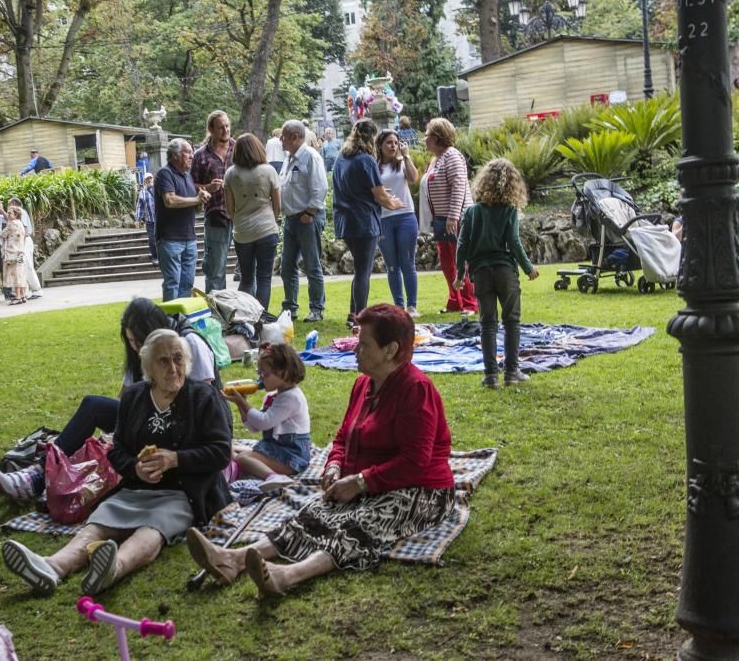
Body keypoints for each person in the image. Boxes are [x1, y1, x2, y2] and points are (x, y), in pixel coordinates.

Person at [186, 304, 455, 597]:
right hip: (370, 483)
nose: (355, 349)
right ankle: (233, 559)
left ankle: (287, 575)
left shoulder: (416, 390)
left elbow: (415, 462)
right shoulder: (364, 384)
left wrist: (361, 482)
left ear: (390, 350)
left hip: (421, 491)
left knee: (359, 523)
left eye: (363, 344)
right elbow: (342, 438)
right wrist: (334, 467)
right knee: (313, 512)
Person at [1, 329, 232, 596]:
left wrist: (175, 459)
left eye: (178, 359)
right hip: (136, 489)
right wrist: (135, 468)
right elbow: (117, 449)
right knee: (100, 522)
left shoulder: (202, 396)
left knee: (154, 527)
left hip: (185, 492)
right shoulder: (134, 397)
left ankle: (114, 568)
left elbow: (220, 452)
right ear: (148, 367)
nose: (173, 368)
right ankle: (52, 567)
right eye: (163, 361)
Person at [0, 297, 220, 500]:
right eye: (131, 341)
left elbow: (204, 403)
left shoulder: (188, 343)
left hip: (184, 426)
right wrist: (119, 433)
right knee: (94, 407)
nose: (136, 348)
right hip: (150, 416)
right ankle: (41, 473)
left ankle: (44, 476)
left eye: (139, 341)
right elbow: (127, 399)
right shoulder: (142, 353)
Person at [454, 158, 539, 389]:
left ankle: (491, 376)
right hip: (505, 272)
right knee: (512, 321)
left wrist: (460, 273)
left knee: (487, 324)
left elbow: (462, 244)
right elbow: (514, 243)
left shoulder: (471, 212)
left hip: (481, 273)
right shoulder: (509, 211)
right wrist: (528, 268)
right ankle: (512, 373)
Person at [332, 119, 406, 330]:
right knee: (364, 272)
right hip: (363, 221)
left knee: (359, 269)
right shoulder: (366, 160)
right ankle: (359, 318)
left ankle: (352, 313)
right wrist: (394, 203)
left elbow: (354, 188)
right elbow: (379, 194)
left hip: (345, 221)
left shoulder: (341, 159)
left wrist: (381, 195)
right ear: (370, 138)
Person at [222, 342, 310, 493]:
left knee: (241, 459)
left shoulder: (291, 398)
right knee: (231, 448)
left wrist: (243, 403)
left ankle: (274, 477)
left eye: (264, 374)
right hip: (275, 448)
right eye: (259, 373)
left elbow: (264, 422)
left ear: (283, 372)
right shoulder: (273, 396)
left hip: (291, 456)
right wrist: (242, 405)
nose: (260, 379)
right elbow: (255, 427)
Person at [422, 117, 478, 316]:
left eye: (427, 135)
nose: (424, 138)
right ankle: (455, 300)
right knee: (447, 262)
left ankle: (471, 303)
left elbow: (459, 187)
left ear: (437, 138)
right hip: (441, 219)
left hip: (457, 218)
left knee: (462, 260)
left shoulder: (452, 156)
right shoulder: (436, 159)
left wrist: (453, 217)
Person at [278, 120, 329, 323]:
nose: (280, 140)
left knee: (311, 264)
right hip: (291, 219)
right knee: (287, 265)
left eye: (283, 136)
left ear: (295, 137)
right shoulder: (289, 158)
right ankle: (290, 307)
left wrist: (309, 212)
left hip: (307, 217)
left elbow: (320, 187)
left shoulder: (310, 157)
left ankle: (316, 308)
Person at [224, 133, 280, 310]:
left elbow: (230, 209)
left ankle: (245, 316)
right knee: (264, 278)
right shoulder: (269, 171)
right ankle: (261, 318)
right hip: (266, 229)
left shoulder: (231, 174)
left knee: (247, 278)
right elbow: (277, 205)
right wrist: (273, 220)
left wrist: (240, 220)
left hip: (242, 232)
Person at [154, 138, 210, 301]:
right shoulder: (165, 174)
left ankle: (183, 321)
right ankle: (171, 322)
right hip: (170, 239)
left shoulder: (187, 176)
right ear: (175, 155)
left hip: (189, 238)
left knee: (187, 283)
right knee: (173, 282)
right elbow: (170, 200)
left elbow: (194, 206)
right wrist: (197, 200)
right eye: (188, 153)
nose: (192, 156)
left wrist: (202, 198)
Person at [375, 129, 421, 317]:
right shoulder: (374, 166)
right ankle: (399, 306)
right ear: (380, 146)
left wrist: (407, 157)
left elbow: (413, 178)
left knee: (408, 262)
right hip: (384, 218)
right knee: (392, 265)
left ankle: (412, 305)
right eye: (388, 143)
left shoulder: (401, 163)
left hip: (405, 216)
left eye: (395, 143)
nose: (393, 146)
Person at [192, 110, 236, 293]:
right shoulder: (201, 155)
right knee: (216, 268)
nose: (226, 130)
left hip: (241, 213)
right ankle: (216, 311)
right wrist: (207, 188)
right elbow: (190, 185)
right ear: (211, 129)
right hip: (217, 214)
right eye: (221, 127)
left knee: (249, 269)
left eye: (227, 126)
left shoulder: (238, 148)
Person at [8, 197, 41, 300]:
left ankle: (36, 290)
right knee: (21, 266)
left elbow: (25, 228)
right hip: (21, 241)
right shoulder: (16, 215)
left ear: (14, 204)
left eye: (9, 204)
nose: (8, 207)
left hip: (25, 241)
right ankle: (25, 291)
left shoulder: (22, 212)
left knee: (27, 265)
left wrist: (20, 245)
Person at [1, 206, 27, 305]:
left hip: (12, 252)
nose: (8, 215)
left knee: (14, 274)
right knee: (19, 273)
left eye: (10, 213)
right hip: (20, 251)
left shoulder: (11, 224)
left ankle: (17, 296)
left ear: (16, 214)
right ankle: (22, 295)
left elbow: (3, 234)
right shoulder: (20, 223)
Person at [136, 173, 157, 265]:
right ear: (144, 181)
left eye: (150, 178)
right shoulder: (142, 193)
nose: (149, 180)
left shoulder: (158, 189)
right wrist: (137, 219)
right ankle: (155, 257)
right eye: (147, 179)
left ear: (153, 179)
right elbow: (139, 207)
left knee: (163, 239)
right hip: (150, 221)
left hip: (161, 220)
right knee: (152, 240)